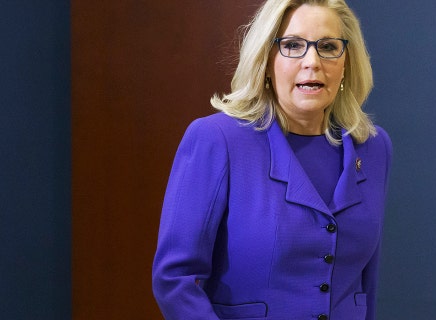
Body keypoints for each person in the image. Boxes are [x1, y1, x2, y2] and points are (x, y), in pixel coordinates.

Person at [152, 0, 392, 319]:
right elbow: (174, 280)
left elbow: (365, 286)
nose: (313, 61)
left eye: (328, 47)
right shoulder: (216, 140)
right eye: (293, 45)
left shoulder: (373, 146)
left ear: (346, 62)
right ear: (266, 60)